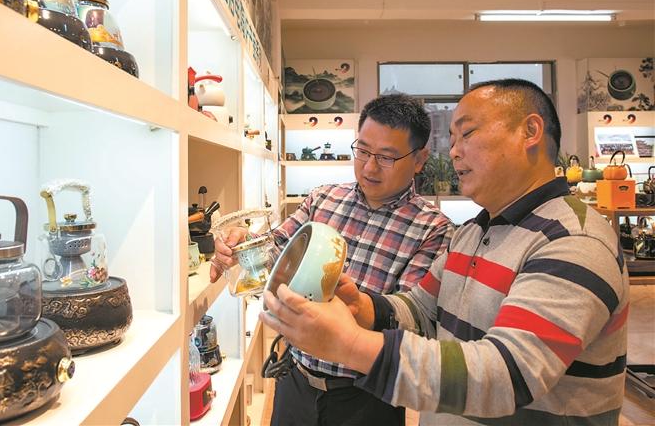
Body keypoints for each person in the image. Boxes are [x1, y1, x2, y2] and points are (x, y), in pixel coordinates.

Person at [261, 79, 629, 425]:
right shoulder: (471, 234)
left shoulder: (573, 240)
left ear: (529, 131)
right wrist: (362, 307)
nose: (453, 151)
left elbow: (508, 373)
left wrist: (351, 344)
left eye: (467, 134)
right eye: (451, 139)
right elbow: (422, 311)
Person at [211, 93, 455, 425]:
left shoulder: (433, 229)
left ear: (419, 159)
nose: (369, 167)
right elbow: (276, 250)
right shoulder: (323, 199)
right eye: (363, 150)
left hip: (366, 398)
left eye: (386, 157)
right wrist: (243, 245)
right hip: (296, 380)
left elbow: (412, 319)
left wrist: (358, 310)